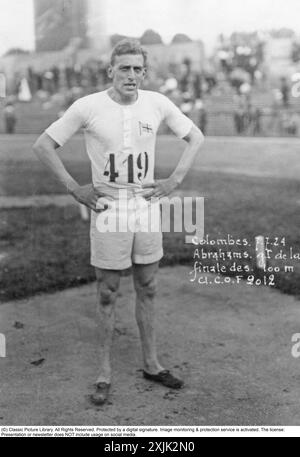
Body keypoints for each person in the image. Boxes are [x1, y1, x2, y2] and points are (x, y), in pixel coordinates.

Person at [33, 39, 204, 405]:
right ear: (110, 70)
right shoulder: (88, 106)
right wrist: (74, 189)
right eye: (124, 68)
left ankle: (151, 363)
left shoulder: (157, 103)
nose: (131, 75)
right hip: (109, 209)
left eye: (137, 69)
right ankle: (104, 371)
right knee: (108, 291)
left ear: (145, 72)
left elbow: (195, 137)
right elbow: (43, 145)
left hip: (145, 206)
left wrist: (174, 180)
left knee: (149, 285)